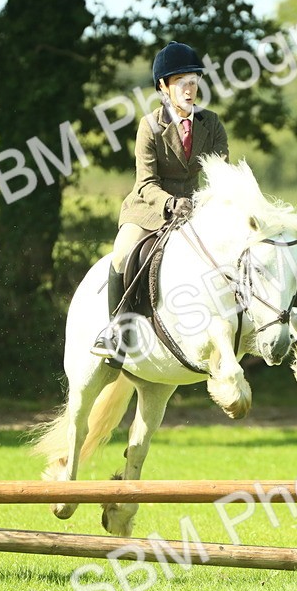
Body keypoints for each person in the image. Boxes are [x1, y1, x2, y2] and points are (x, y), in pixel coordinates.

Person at [90, 41, 230, 365]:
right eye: (181, 82)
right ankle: (117, 331)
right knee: (122, 253)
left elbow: (220, 173)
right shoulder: (149, 126)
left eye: (193, 81)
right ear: (164, 87)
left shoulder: (211, 123)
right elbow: (145, 182)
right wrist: (170, 203)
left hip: (194, 207)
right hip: (149, 207)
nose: (189, 89)